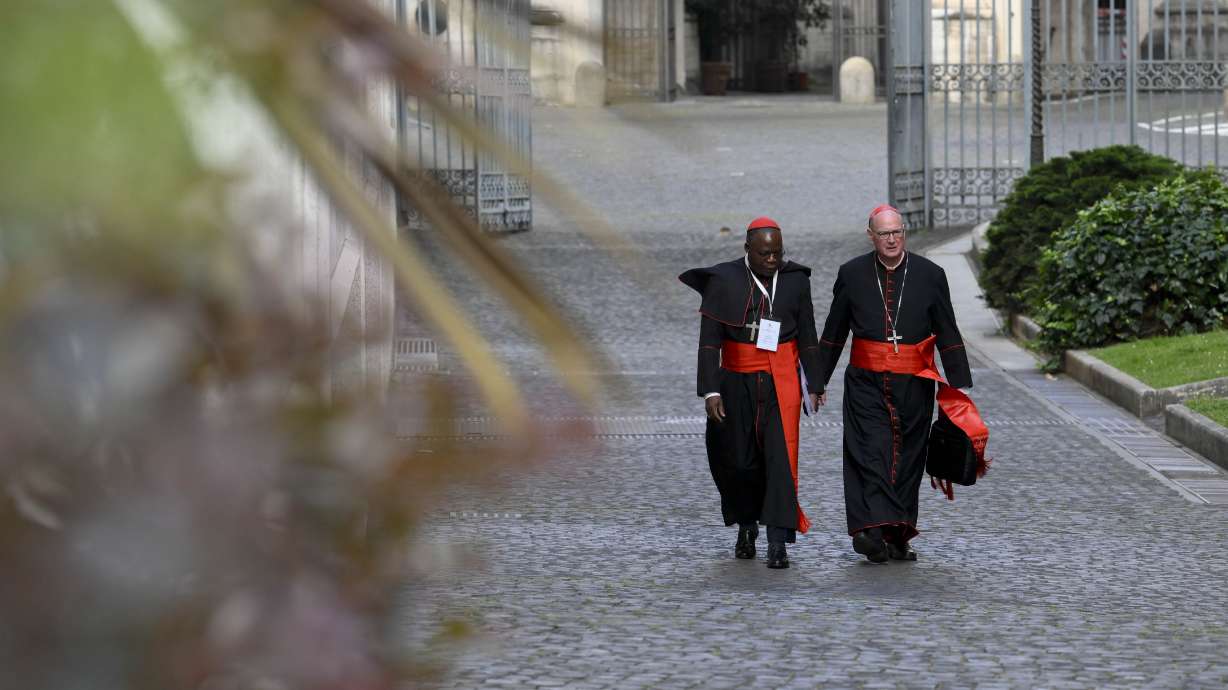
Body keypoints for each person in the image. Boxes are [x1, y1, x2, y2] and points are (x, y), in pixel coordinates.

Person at [814, 204, 986, 563]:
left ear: (903, 233)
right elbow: (833, 334)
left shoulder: (930, 274)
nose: (891, 240)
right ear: (871, 236)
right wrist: (816, 381)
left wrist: (959, 387)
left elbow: (948, 331)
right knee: (869, 452)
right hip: (865, 382)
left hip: (914, 383)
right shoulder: (852, 273)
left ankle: (898, 534)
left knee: (908, 458)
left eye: (897, 232)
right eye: (884, 234)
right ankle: (868, 530)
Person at [679, 217, 823, 569]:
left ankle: (778, 541)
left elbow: (806, 334)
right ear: (747, 250)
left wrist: (815, 384)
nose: (772, 260)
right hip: (735, 383)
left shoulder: (795, 281)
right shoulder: (724, 280)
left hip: (780, 382)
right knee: (739, 462)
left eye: (777, 253)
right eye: (764, 254)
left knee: (779, 459)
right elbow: (710, 342)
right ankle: (746, 526)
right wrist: (711, 390)